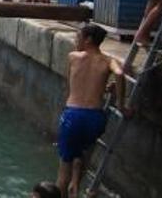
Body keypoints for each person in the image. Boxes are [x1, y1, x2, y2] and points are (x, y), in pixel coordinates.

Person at [57, 24, 126, 198]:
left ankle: (66, 191)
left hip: (73, 114)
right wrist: (120, 104)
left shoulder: (73, 57)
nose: (76, 40)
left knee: (64, 166)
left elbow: (71, 84)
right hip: (95, 117)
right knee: (83, 153)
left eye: (78, 36)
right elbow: (119, 74)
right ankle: (76, 186)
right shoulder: (108, 60)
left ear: (88, 39)